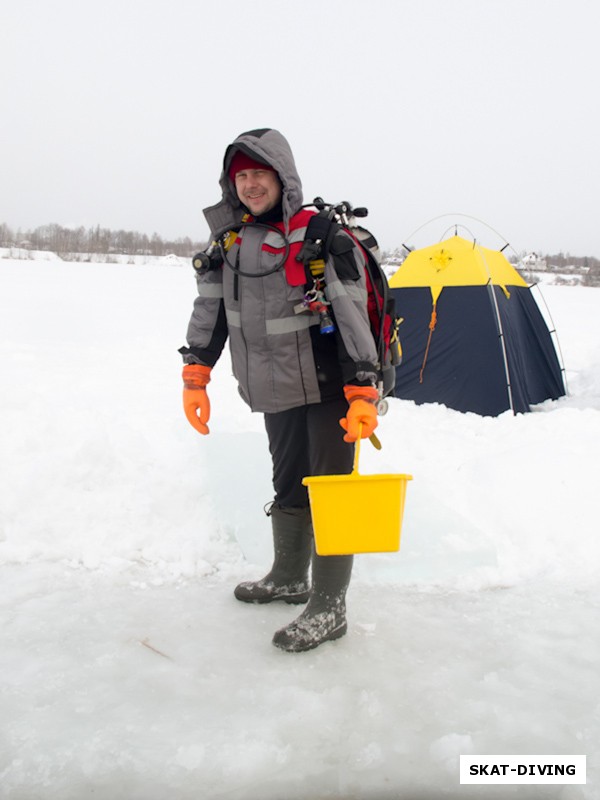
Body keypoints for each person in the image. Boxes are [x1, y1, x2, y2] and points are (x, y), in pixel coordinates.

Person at [179, 128, 379, 652]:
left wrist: (363, 390)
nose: (249, 185)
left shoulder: (319, 236)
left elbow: (352, 313)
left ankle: (330, 607)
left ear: (281, 178)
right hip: (275, 388)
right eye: (240, 176)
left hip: (332, 388)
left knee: (331, 495)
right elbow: (211, 310)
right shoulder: (228, 241)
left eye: (258, 174)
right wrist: (195, 372)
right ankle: (290, 576)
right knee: (288, 481)